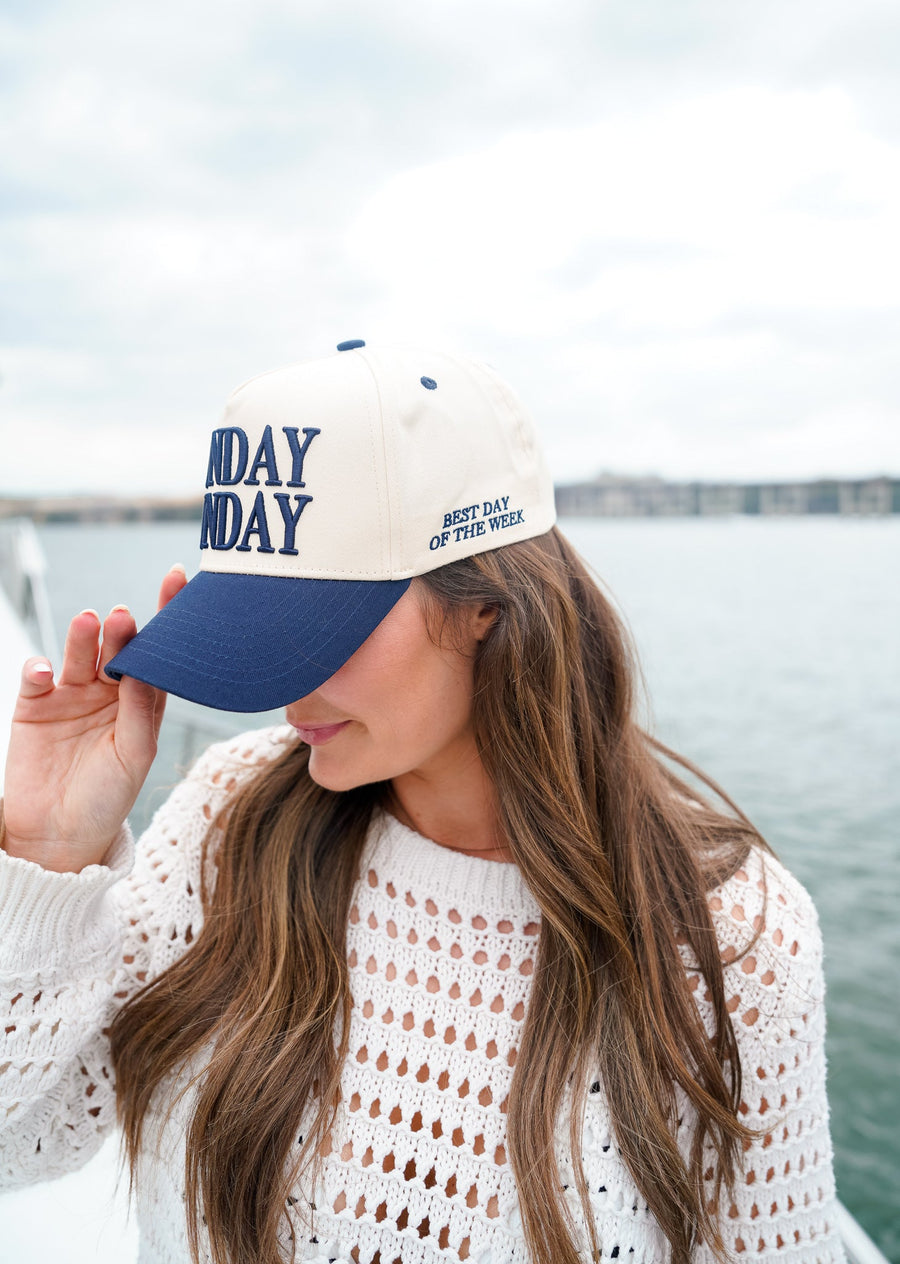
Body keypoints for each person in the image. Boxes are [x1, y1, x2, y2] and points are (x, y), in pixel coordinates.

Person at [0, 342, 845, 1264]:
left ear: (483, 600)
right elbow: (23, 1144)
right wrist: (47, 859)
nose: (287, 690)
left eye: (321, 621)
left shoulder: (732, 934)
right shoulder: (229, 812)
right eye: (251, 621)